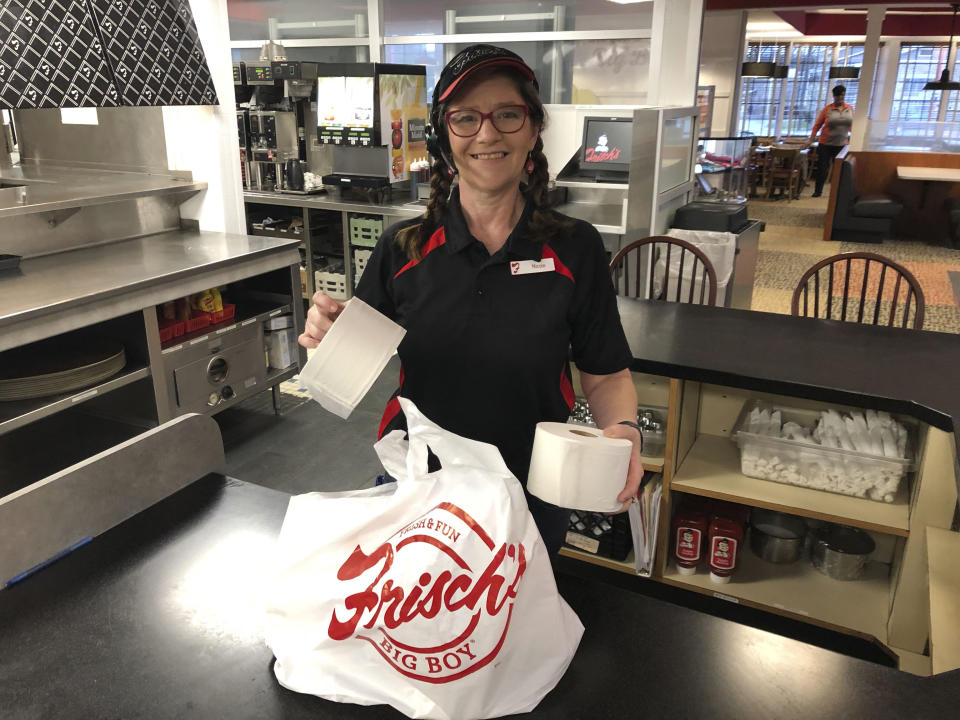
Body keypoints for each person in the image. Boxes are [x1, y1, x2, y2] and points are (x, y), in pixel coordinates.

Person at [298, 45, 643, 556]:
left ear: (533, 129)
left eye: (507, 114)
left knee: (517, 627)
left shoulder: (575, 247)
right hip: (420, 485)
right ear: (444, 137)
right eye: (465, 118)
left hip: (532, 489)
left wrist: (627, 431)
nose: (487, 133)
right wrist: (325, 339)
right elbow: (341, 373)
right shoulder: (404, 247)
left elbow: (606, 373)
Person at [806, 84, 854, 198]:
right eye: (837, 96)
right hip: (825, 144)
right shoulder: (828, 109)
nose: (840, 98)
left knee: (840, 170)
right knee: (823, 168)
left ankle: (838, 192)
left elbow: (852, 126)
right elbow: (817, 125)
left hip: (842, 144)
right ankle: (818, 191)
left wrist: (854, 139)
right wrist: (810, 140)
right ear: (834, 96)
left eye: (842, 96)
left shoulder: (849, 108)